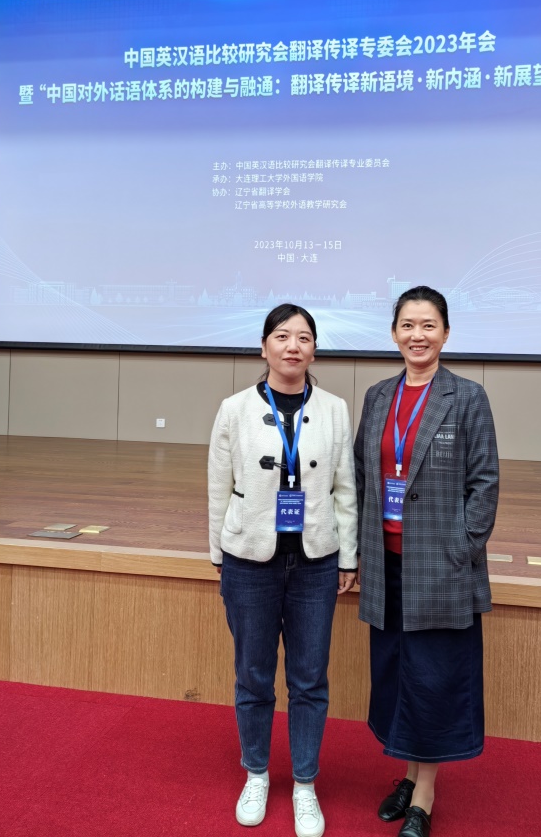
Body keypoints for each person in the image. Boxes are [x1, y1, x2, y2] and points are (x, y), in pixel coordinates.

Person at [208, 303, 358, 837]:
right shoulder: (234, 409)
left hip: (315, 563)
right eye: (282, 336)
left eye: (304, 337)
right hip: (250, 561)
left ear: (314, 350)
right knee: (253, 675)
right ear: (264, 346)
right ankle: (256, 773)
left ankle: (304, 784)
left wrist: (348, 557)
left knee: (309, 678)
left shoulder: (335, 409)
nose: (293, 346)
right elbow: (217, 485)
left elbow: (345, 488)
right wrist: (218, 553)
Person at [354, 286, 499, 837]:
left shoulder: (467, 397)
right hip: (387, 565)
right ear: (394, 333)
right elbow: (364, 475)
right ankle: (411, 776)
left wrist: (461, 548)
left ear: (445, 333)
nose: (418, 335)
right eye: (408, 325)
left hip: (440, 568)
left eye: (429, 325)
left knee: (435, 678)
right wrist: (361, 551)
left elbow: (484, 483)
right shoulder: (378, 396)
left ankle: (425, 795)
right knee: (400, 674)